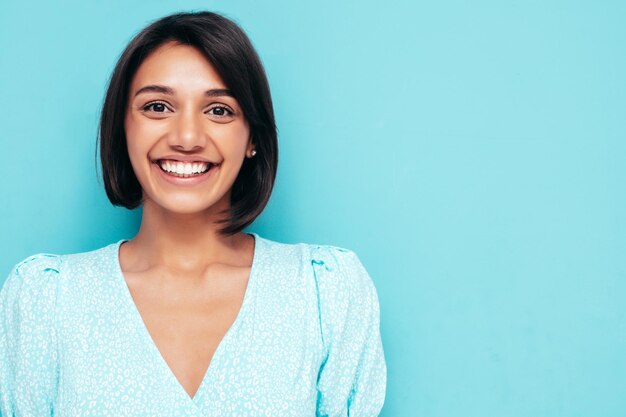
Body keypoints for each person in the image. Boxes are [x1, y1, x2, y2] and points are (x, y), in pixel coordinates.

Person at [0, 11, 386, 416]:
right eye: (158, 107)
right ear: (121, 127)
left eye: (219, 110)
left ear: (252, 136)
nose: (187, 138)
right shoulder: (44, 302)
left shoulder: (326, 295)